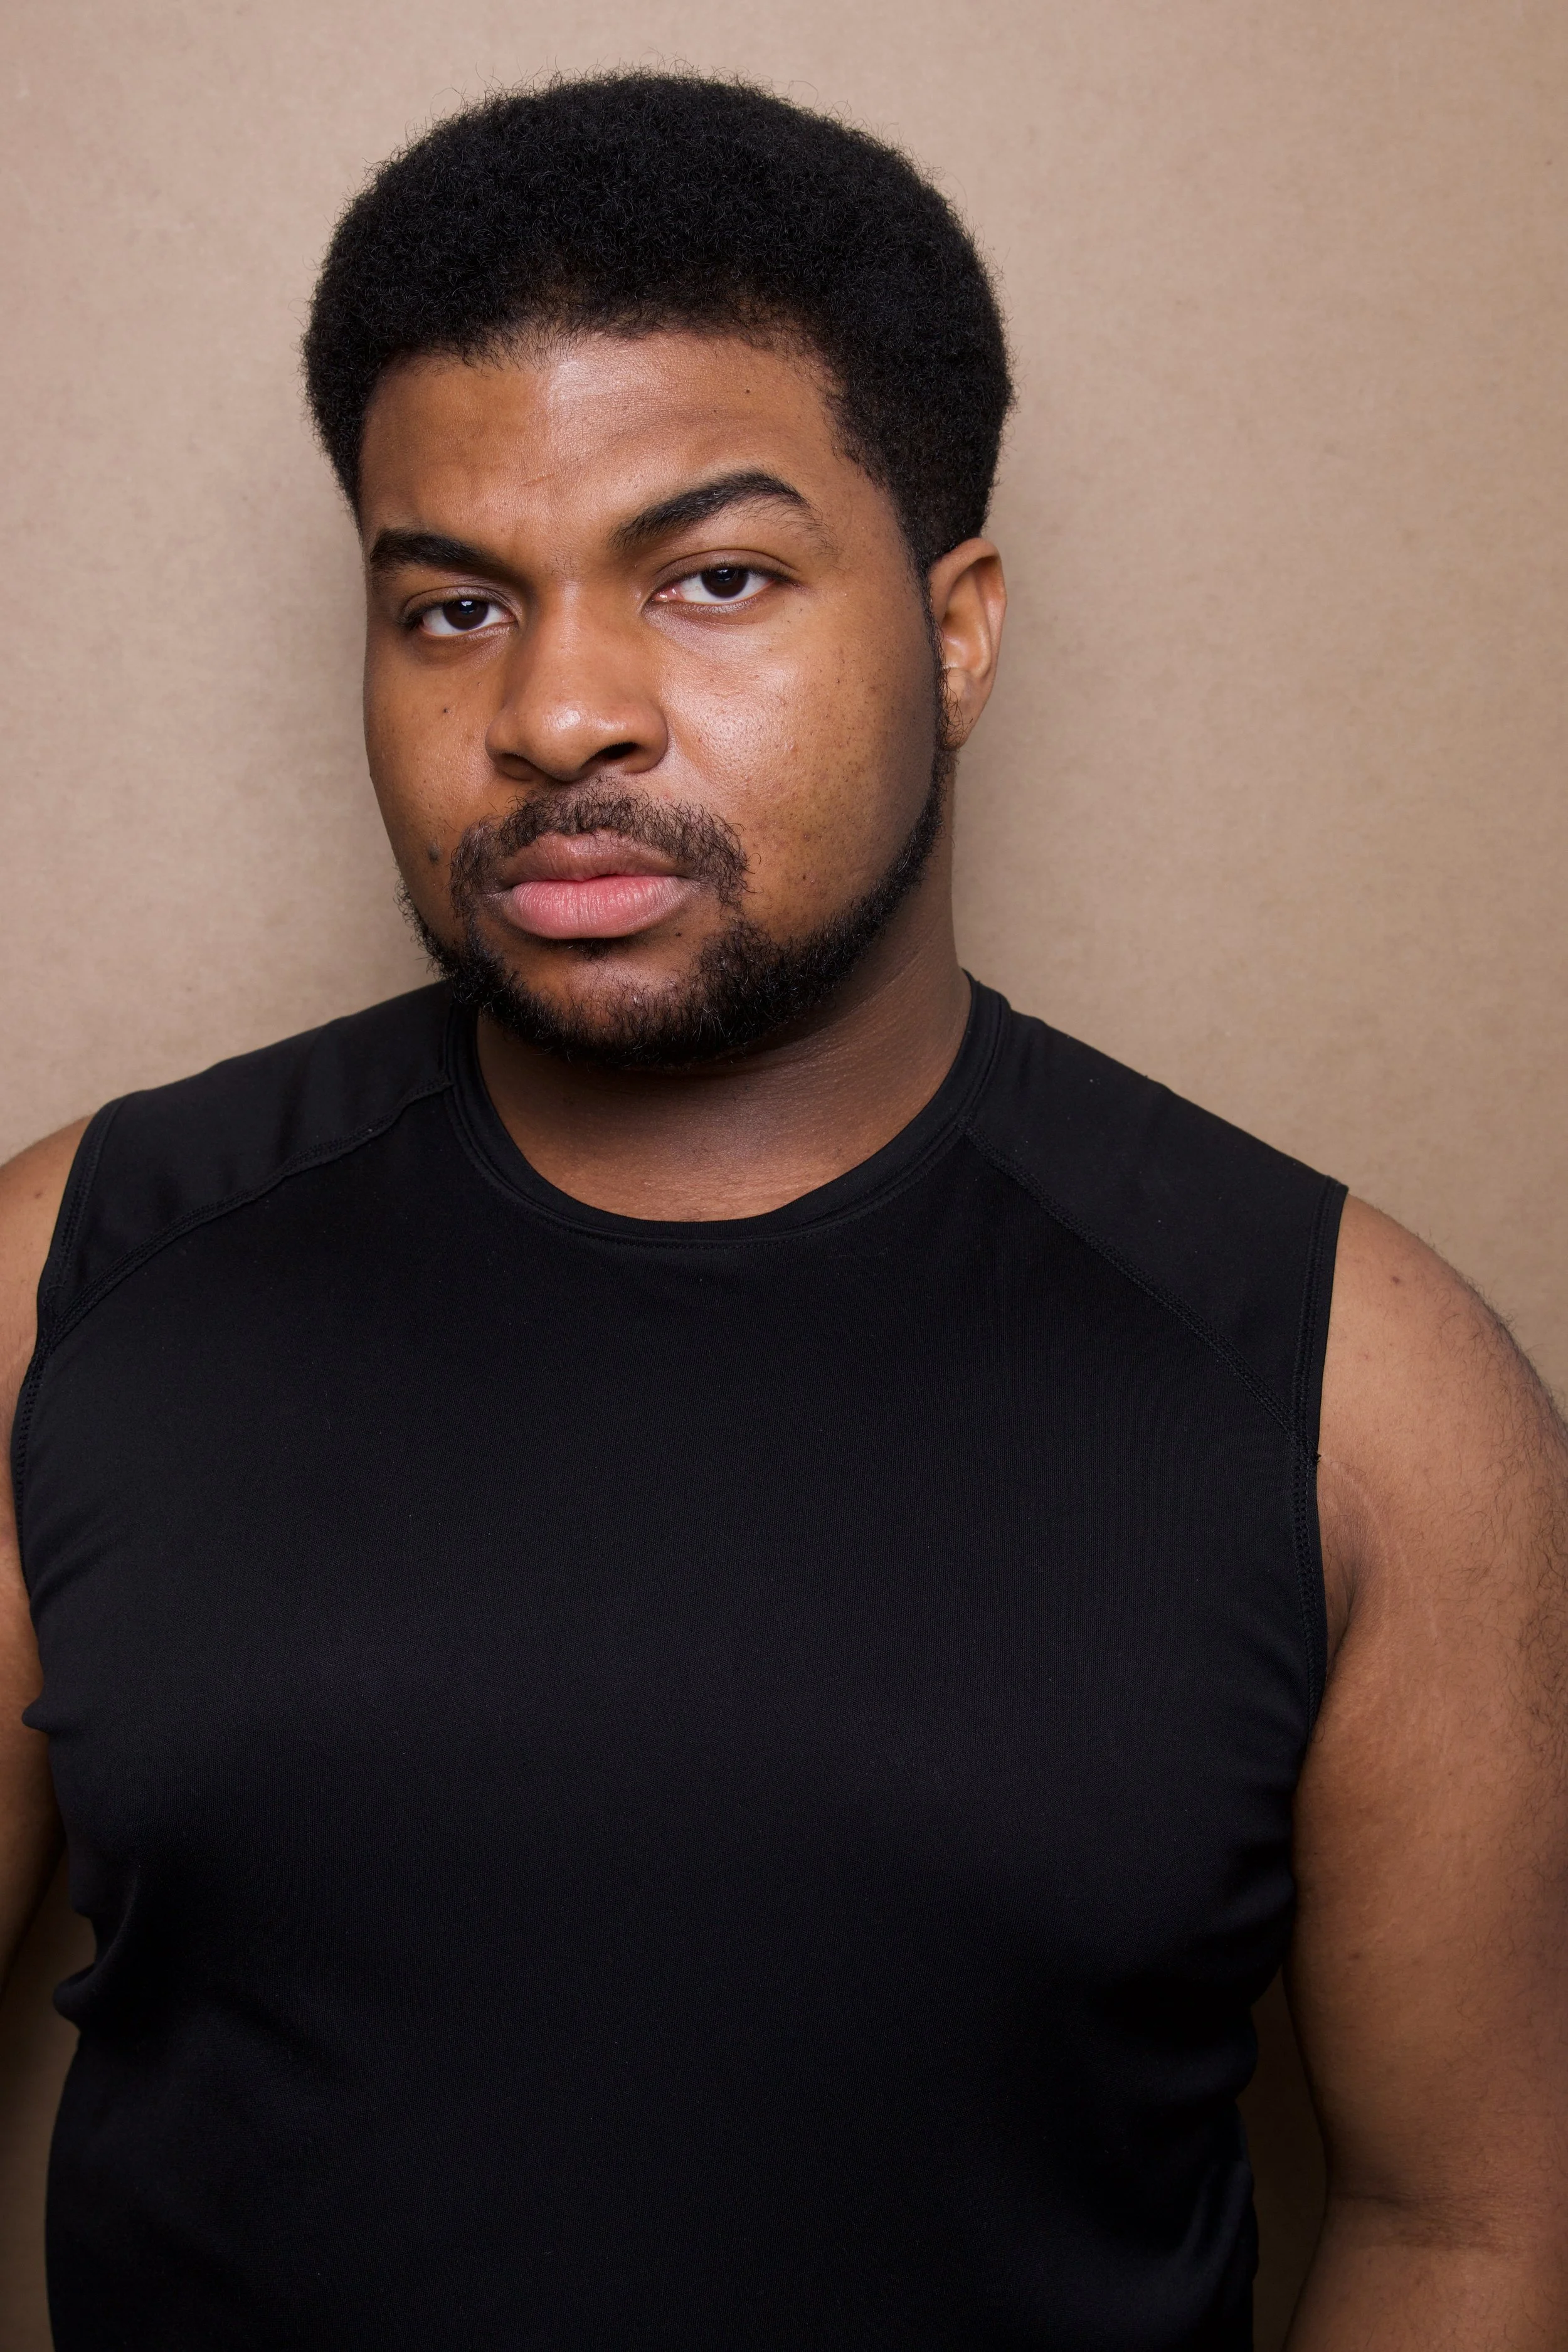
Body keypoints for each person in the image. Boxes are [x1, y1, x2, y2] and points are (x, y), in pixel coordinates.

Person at [0, 71, 1564, 2352]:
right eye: (451, 607)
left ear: (953, 630)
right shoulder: (71, 1274)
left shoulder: (1361, 1387)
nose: (556, 713)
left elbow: (1467, 2221)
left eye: (710, 579)